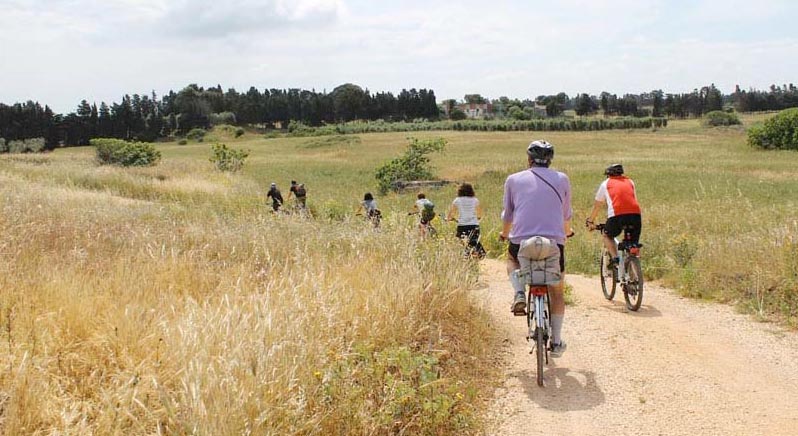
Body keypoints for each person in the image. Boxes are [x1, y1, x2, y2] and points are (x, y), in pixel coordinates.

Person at [500, 140, 573, 357]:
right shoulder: (562, 179)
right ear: (550, 160)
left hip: (521, 240)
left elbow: (508, 214)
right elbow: (566, 214)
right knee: (557, 291)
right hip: (554, 242)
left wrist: (505, 234)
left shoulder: (513, 179)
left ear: (529, 159)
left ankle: (520, 292)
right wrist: (566, 232)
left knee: (511, 259)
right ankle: (557, 342)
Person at [586, 164, 642, 264]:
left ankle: (615, 258)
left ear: (608, 174)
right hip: (635, 215)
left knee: (607, 235)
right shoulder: (630, 182)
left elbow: (597, 205)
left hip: (617, 215)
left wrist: (590, 221)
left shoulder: (606, 184)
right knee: (633, 244)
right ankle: (634, 266)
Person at [446, 183, 485, 258]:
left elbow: (451, 214)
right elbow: (479, 215)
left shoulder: (457, 200)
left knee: (460, 240)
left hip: (462, 225)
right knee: (474, 241)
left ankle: (467, 254)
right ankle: (478, 253)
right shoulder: (475, 200)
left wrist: (449, 219)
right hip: (474, 224)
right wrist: (477, 218)